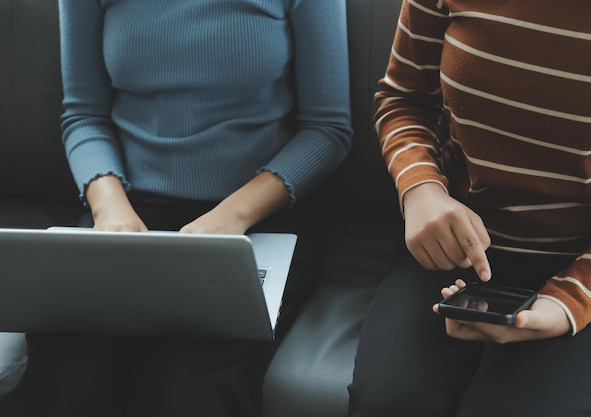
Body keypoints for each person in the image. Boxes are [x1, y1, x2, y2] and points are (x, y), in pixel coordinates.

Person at [0, 0, 351, 416]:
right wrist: (110, 208)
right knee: (69, 382)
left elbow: (327, 130)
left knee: (186, 393)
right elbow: (83, 115)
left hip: (257, 217)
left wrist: (229, 219)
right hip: (125, 214)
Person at [348, 1, 591, 416]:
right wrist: (421, 190)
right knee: (389, 404)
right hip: (454, 247)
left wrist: (569, 302)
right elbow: (402, 97)